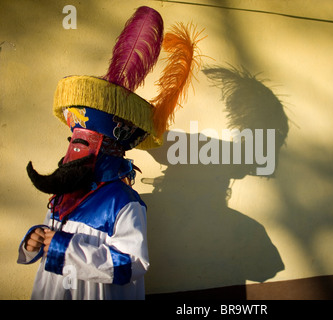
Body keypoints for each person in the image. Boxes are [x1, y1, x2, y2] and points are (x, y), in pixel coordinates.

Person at [16, 6, 202, 300]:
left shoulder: (123, 201)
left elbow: (133, 263)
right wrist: (34, 242)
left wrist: (63, 247)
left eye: (84, 145)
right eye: (72, 143)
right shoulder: (63, 193)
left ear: (105, 152)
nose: (72, 154)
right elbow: (48, 243)